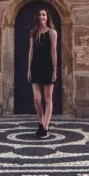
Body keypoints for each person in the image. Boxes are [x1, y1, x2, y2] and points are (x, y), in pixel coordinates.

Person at [27, 7, 58, 138]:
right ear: (37, 17)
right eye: (40, 15)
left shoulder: (52, 33)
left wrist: (55, 69)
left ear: (47, 17)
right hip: (36, 67)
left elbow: (53, 51)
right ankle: (40, 122)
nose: (42, 17)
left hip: (48, 66)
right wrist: (28, 69)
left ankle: (46, 126)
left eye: (44, 15)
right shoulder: (34, 32)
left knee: (47, 98)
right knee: (37, 99)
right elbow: (31, 51)